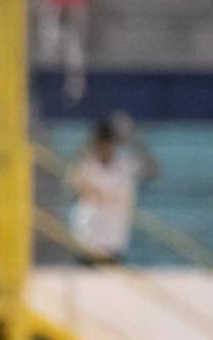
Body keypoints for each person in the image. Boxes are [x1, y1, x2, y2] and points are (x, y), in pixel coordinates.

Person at [68, 112, 159, 264]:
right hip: (86, 246)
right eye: (99, 143)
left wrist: (134, 139)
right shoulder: (85, 164)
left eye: (107, 143)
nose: (103, 148)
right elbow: (72, 186)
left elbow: (153, 170)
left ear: (114, 143)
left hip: (114, 244)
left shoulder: (127, 163)